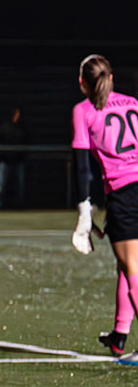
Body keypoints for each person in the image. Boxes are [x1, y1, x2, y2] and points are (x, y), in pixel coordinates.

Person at [70, 57, 138, 357]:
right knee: (127, 263)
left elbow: (83, 168)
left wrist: (85, 211)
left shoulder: (83, 111)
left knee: (132, 266)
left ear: (83, 81)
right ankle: (120, 335)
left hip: (124, 194)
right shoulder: (133, 102)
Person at [0, 108, 29, 209]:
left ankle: (19, 203)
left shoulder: (21, 128)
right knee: (2, 184)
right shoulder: (4, 128)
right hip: (5, 160)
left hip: (17, 160)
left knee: (19, 184)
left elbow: (25, 141)